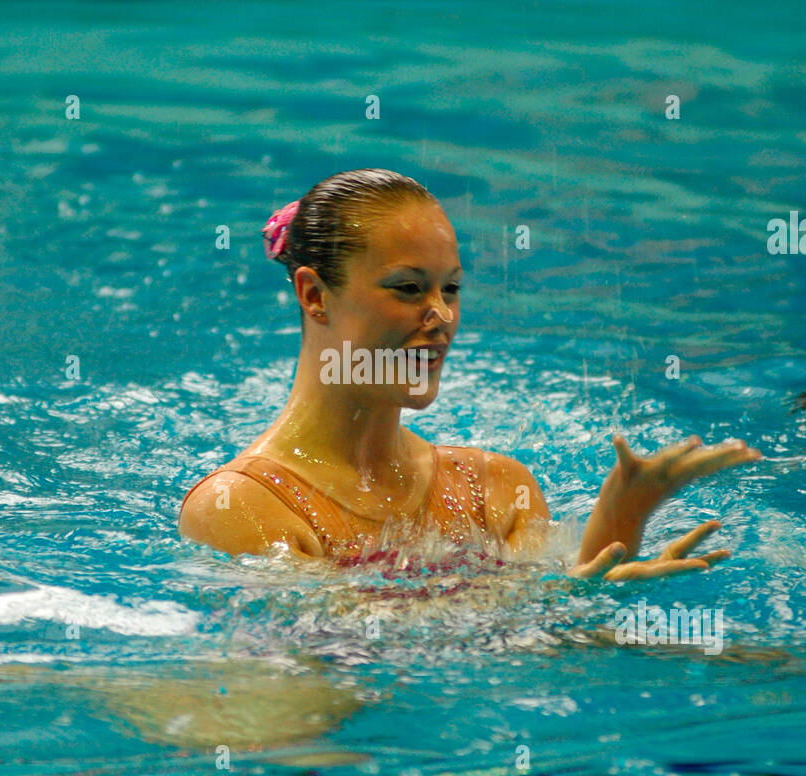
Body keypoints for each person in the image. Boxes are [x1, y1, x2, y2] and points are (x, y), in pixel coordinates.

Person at [179, 169, 761, 577]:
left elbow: (549, 647)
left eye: (451, 289)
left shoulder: (498, 492)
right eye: (409, 288)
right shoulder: (239, 509)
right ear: (314, 295)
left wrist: (620, 519)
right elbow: (332, 666)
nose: (441, 317)